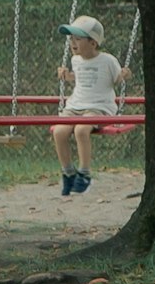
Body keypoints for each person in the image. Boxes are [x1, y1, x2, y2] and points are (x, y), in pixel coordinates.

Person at [54, 15, 128, 195]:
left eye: (78, 39)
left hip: (98, 107)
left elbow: (116, 80)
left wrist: (124, 75)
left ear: (93, 43)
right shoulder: (75, 60)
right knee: (59, 132)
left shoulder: (108, 60)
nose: (73, 43)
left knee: (81, 130)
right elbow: (78, 79)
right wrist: (66, 76)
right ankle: (68, 173)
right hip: (75, 105)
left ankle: (85, 173)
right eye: (71, 39)